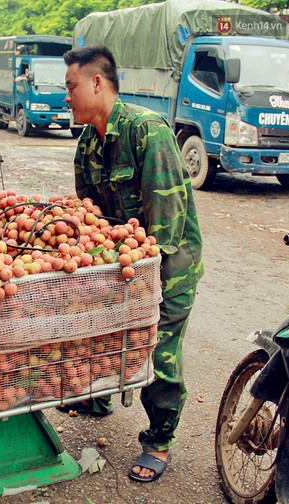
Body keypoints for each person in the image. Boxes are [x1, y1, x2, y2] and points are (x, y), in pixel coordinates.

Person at [63, 46, 204, 483]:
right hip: (121, 264)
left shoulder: (148, 132)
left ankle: (159, 441)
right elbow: (89, 218)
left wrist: (135, 277)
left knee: (155, 351)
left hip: (166, 268)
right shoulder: (87, 144)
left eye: (71, 87)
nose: (66, 97)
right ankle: (100, 398)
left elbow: (166, 223)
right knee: (100, 332)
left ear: (97, 83)